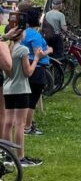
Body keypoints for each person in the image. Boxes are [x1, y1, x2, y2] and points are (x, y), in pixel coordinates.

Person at [3, 25, 45, 167]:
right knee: (20, 124)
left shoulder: (7, 49)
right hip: (21, 88)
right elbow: (28, 72)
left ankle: (7, 155)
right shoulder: (23, 50)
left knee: (8, 123)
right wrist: (36, 59)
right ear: (21, 35)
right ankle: (20, 157)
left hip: (8, 88)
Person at [21, 8, 52, 136]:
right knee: (32, 100)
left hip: (26, 67)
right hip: (37, 68)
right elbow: (38, 54)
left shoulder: (24, 33)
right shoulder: (35, 35)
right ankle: (27, 127)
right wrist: (49, 50)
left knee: (27, 98)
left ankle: (24, 124)